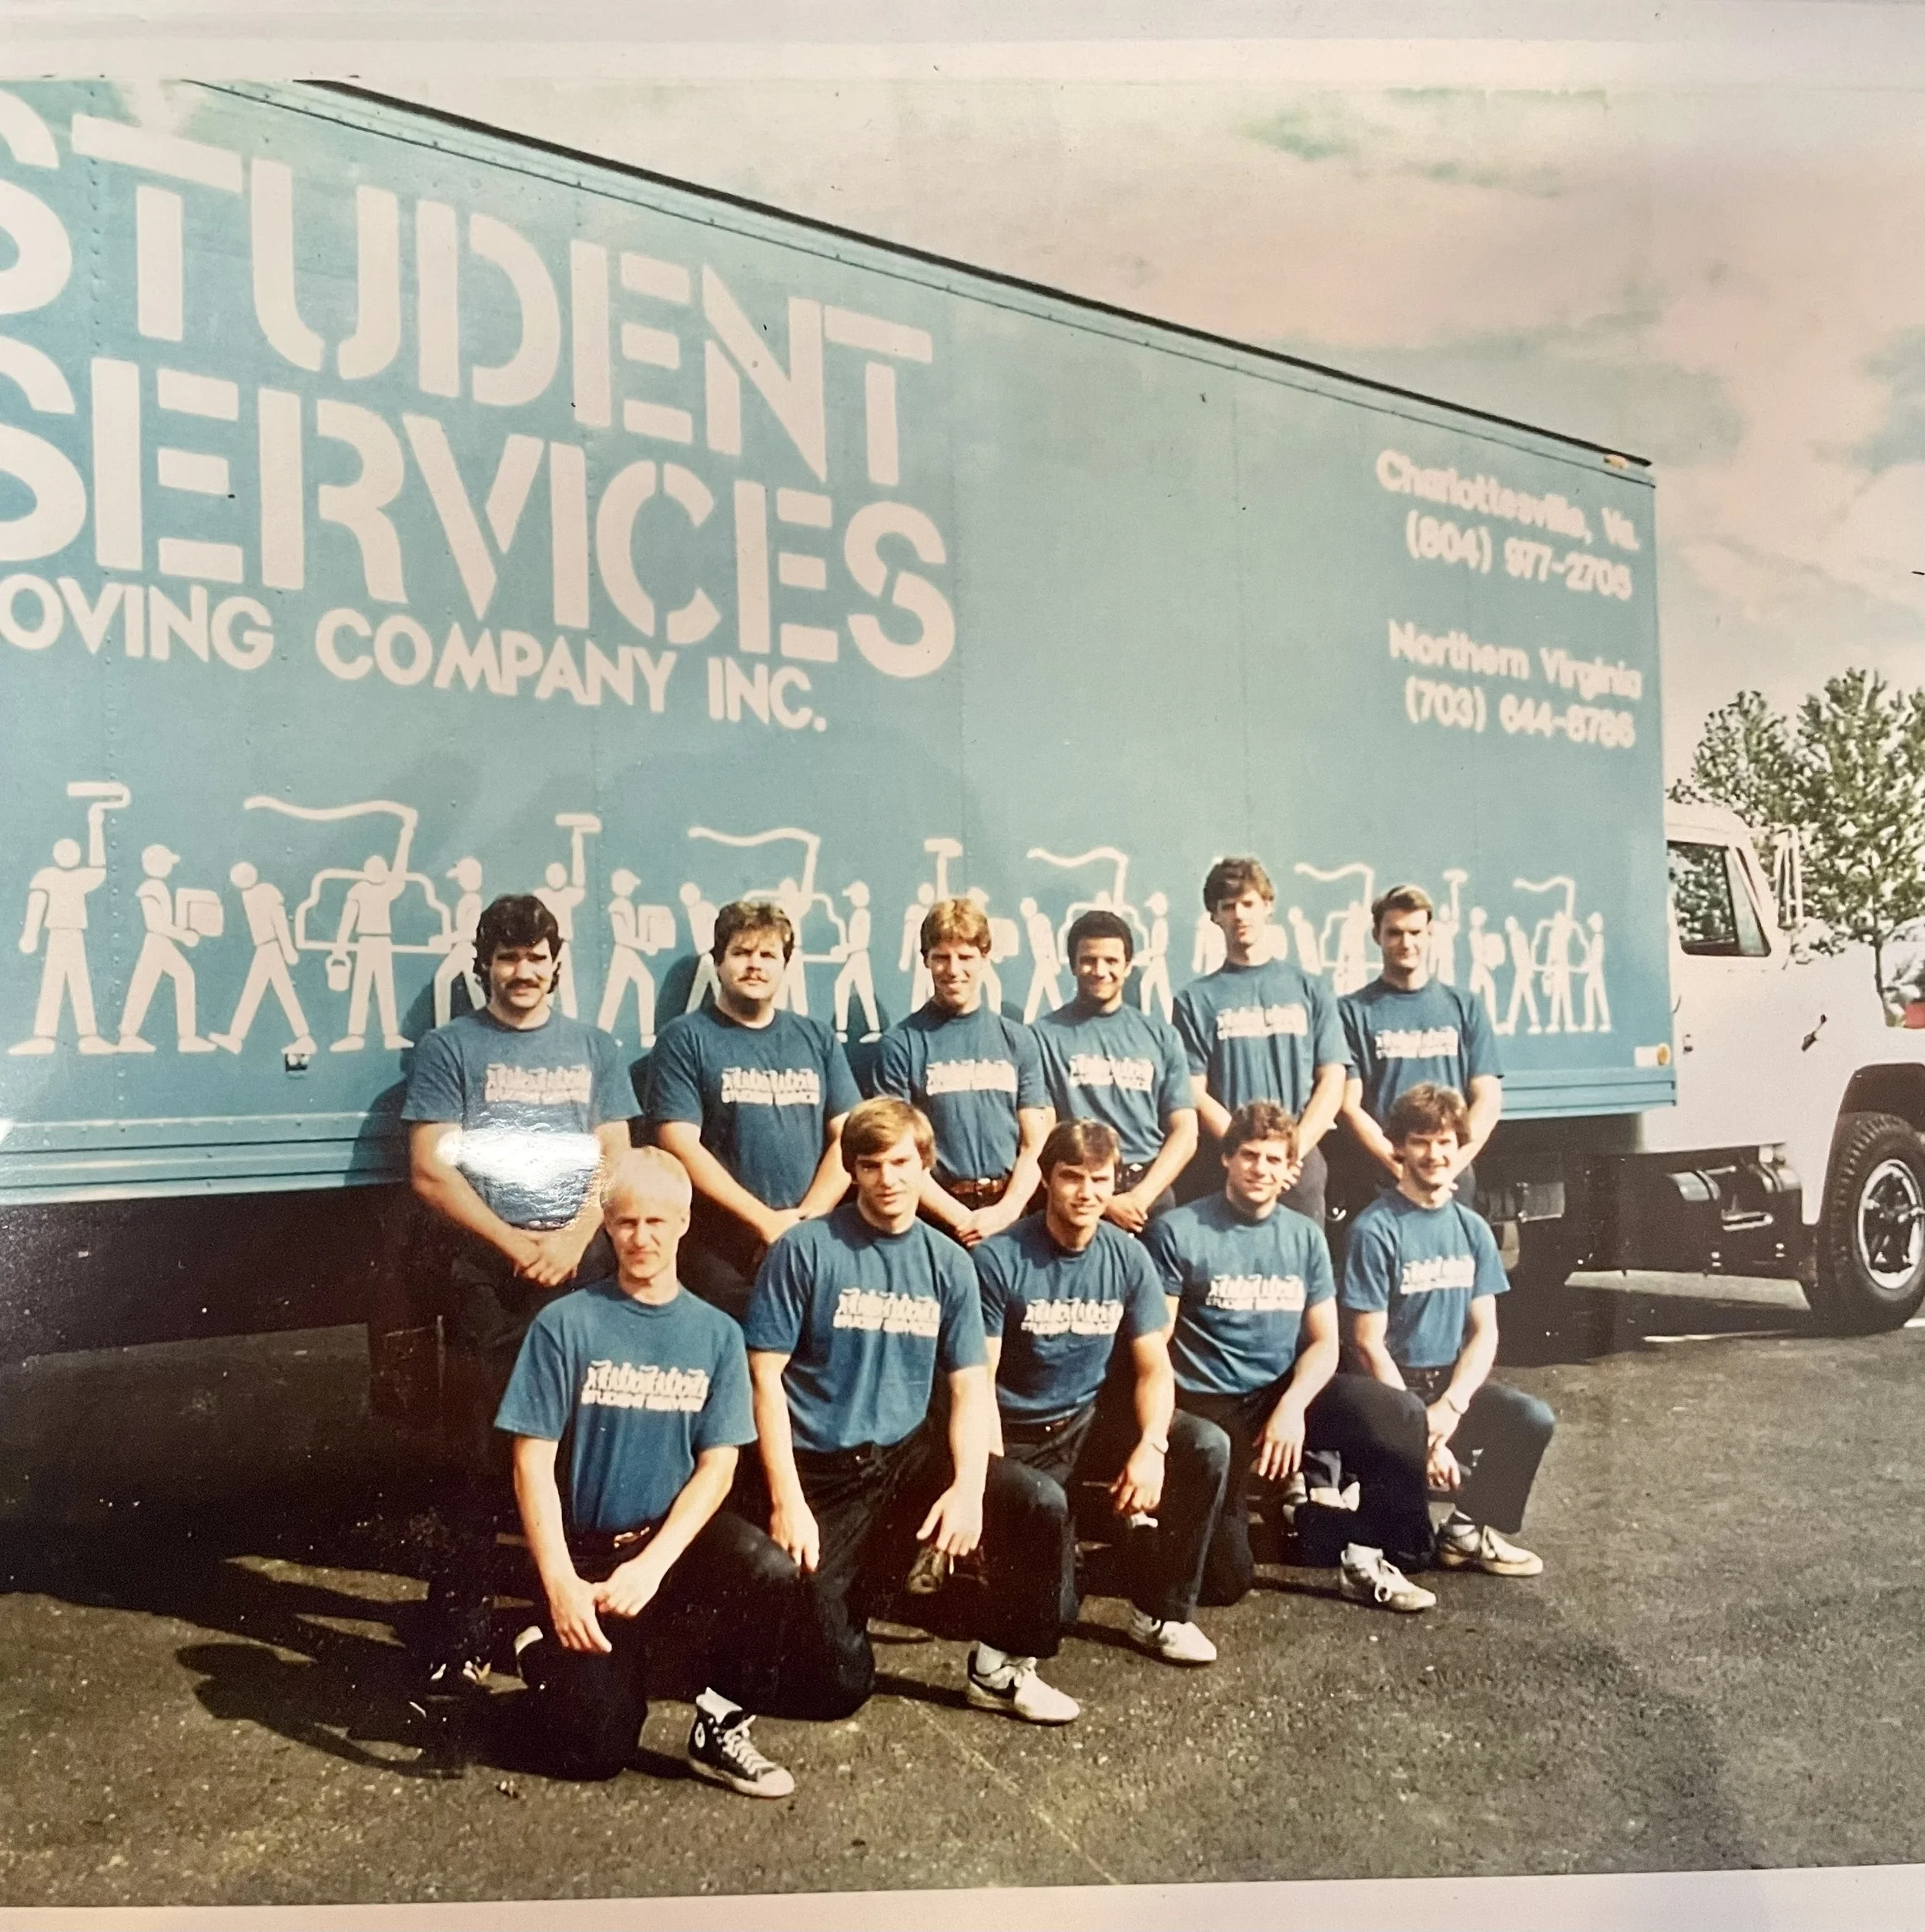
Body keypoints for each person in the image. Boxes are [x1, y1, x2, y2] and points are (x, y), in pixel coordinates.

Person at [742, 1097, 1078, 1724]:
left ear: (925, 1164)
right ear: (854, 1171)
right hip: (823, 1473)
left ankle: (998, 1668)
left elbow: (971, 1386)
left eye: (901, 1162)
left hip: (902, 1460)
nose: (888, 1179)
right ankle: (852, 1601)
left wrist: (970, 1489)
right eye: (870, 1165)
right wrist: (786, 1500)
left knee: (1037, 1503)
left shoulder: (948, 1261)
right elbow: (763, 1377)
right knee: (837, 1688)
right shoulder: (806, 1249)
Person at [498, 1148, 804, 1794]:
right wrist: (559, 1582)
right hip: (587, 1557)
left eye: (658, 1222)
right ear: (606, 1226)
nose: (642, 1237)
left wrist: (654, 1564)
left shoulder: (716, 1332)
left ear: (685, 1223)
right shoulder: (564, 1323)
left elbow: (718, 1467)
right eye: (627, 1222)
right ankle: (537, 1644)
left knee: (772, 1571)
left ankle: (719, 1729)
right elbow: (532, 1462)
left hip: (668, 1548)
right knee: (592, 1752)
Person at [400, 892, 634, 1696]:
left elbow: (614, 1155)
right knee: (476, 1458)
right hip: (487, 1277)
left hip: (579, 1268)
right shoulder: (450, 1047)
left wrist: (571, 1238)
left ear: (555, 963)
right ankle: (458, 1633)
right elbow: (432, 1168)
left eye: (536, 956)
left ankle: (555, 1614)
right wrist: (514, 1244)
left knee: (574, 1452)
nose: (523, 972)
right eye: (507, 957)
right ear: (483, 967)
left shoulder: (594, 1047)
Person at [1144, 1101, 1438, 1613]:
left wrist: (1292, 1407)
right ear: (1227, 1159)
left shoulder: (1304, 1235)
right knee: (1225, 1581)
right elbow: (1156, 1342)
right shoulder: (1180, 1230)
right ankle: (1141, 1542)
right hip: (1210, 1401)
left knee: (1400, 1413)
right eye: (1251, 1156)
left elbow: (1325, 1340)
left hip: (1279, 1392)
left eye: (1275, 1160)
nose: (1261, 1169)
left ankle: (1364, 1555)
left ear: (1291, 1170)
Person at [976, 1120, 1230, 1666]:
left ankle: (1161, 1611)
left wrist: (1151, 1448)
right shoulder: (999, 1259)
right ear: (1045, 1179)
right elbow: (978, 1383)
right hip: (1017, 1433)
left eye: (1100, 1179)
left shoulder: (1128, 1256)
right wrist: (992, 1483)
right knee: (1057, 1613)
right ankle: (1059, 1552)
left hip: (1086, 1420)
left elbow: (1154, 1369)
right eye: (1071, 1177)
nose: (1086, 1192)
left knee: (1205, 1444)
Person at [1342, 1083, 1555, 1579]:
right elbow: (1366, 1343)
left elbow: (1485, 1334)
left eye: (1445, 1142)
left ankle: (1465, 1530)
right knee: (1411, 1556)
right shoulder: (1374, 1230)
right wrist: (1424, 1433)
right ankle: (1325, 1516)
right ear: (1398, 1146)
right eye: (1420, 1141)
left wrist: (1454, 1405)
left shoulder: (1473, 1229)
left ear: (1461, 1146)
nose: (1434, 1154)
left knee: (1530, 1417)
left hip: (1445, 1390)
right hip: (1390, 1392)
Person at [646, 900, 860, 1321]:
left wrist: (807, 1221)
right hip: (722, 1249)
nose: (754, 965)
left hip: (808, 1241)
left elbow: (850, 1136)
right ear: (718, 961)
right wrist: (765, 1222)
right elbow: (679, 1142)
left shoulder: (815, 1037)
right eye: (741, 953)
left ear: (785, 964)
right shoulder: (685, 1038)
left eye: (768, 955)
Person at [1172, 856, 1348, 1224]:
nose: (1239, 915)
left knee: (1299, 1271)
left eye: (1249, 903)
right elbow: (1194, 1090)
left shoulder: (1311, 989)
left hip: (1300, 1163)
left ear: (1268, 907)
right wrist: (1246, 1153)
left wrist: (1291, 1152)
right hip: (1231, 1163)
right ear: (1214, 916)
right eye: (1228, 906)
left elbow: (1332, 1080)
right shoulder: (1194, 1000)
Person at [872, 896, 1050, 1247]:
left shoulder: (1018, 1039)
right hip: (936, 1220)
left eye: (966, 957)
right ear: (925, 960)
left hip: (1011, 1217)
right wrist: (961, 1219)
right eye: (941, 957)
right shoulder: (902, 1043)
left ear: (985, 959)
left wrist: (1006, 1211)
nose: (954, 970)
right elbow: (895, 1150)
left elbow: (1035, 1143)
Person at [1336, 884, 1502, 1214]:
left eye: (1415, 932)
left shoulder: (1465, 1006)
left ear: (1430, 934)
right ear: (1376, 936)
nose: (1406, 943)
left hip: (1450, 1174)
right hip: (1383, 1176)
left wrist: (1452, 1163)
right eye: (1394, 933)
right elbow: (1348, 1106)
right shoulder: (1352, 1011)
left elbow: (1488, 1097)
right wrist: (1399, 1166)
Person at [1032, 909, 1197, 1234]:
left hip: (1149, 1196)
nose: (1099, 970)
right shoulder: (1042, 1036)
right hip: (1080, 1195)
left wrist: (1139, 1198)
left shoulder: (1161, 1036)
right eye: (1089, 960)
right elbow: (1039, 1138)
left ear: (1128, 966)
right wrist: (1106, 1202)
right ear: (1073, 964)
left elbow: (1186, 1132)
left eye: (1111, 961)